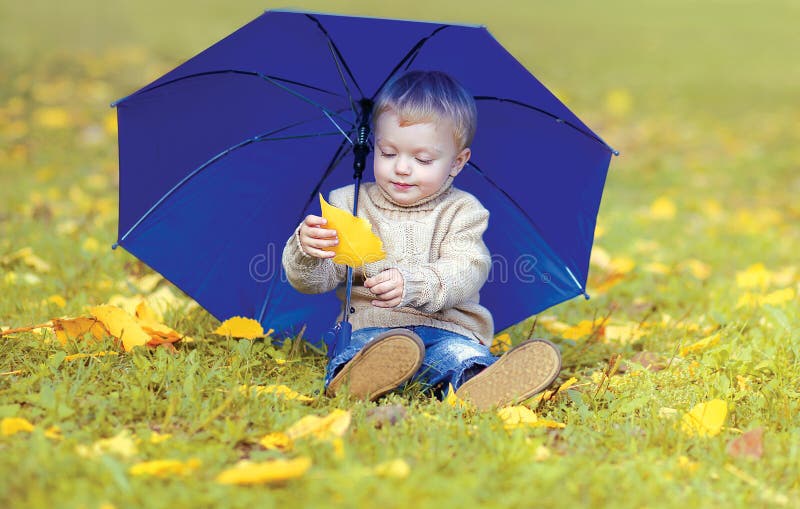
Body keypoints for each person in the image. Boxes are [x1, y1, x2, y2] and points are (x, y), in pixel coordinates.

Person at [282, 70, 561, 410]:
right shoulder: (348, 204)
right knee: (360, 349)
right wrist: (308, 252)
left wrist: (414, 284)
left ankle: (476, 382)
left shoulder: (462, 211)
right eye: (387, 153)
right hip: (372, 328)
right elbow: (316, 281)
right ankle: (358, 378)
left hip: (446, 329)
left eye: (423, 159)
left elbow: (467, 268)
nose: (401, 168)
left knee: (458, 356)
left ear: (457, 162)